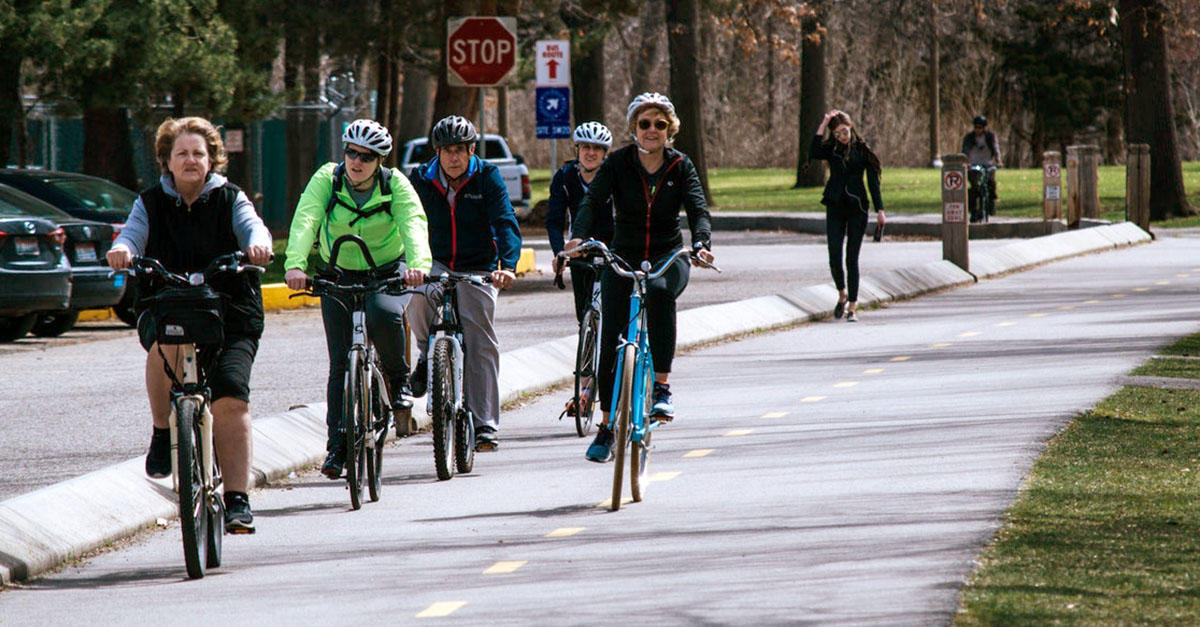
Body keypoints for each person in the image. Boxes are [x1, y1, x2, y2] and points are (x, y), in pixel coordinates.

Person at [107, 116, 273, 533]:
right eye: (182, 153)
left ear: (212, 158)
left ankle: (237, 500)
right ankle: (163, 431)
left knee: (230, 399)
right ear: (167, 159)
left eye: (199, 153)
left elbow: (253, 226)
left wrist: (259, 245)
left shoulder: (230, 198)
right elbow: (132, 234)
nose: (191, 160)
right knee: (167, 343)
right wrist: (122, 250)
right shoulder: (150, 202)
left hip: (230, 310)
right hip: (168, 303)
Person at [565, 92, 714, 463]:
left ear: (670, 129)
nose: (652, 130)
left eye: (659, 124)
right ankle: (604, 427)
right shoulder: (617, 164)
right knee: (613, 334)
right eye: (645, 123)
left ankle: (661, 388)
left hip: (667, 255)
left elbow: (697, 208)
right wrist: (579, 236)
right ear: (634, 128)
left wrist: (701, 243)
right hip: (623, 254)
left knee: (662, 294)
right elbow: (592, 201)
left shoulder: (681, 166)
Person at [283, 119, 431, 480]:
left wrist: (418, 265)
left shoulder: (395, 184)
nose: (357, 161)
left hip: (386, 270)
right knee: (339, 363)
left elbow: (413, 223)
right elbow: (307, 218)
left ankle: (398, 381)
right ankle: (336, 446)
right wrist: (295, 264)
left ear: (379, 160)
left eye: (366, 156)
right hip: (338, 272)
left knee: (383, 315)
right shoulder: (327, 179)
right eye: (351, 152)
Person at [406, 115, 522, 452]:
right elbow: (409, 222)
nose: (454, 157)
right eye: (447, 150)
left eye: (460, 150)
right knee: (418, 294)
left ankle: (484, 424)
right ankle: (428, 352)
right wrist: (411, 263)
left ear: (472, 150)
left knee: (480, 338)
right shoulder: (421, 178)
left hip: (478, 265)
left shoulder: (487, 176)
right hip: (435, 259)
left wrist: (508, 266)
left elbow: (505, 221)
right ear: (437, 152)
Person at [811, 109, 885, 323]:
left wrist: (880, 210)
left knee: (851, 258)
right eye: (837, 134)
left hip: (857, 208)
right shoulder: (831, 150)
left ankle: (852, 305)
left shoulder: (862, 151)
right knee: (834, 254)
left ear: (851, 127)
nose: (842, 137)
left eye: (844, 132)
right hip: (835, 205)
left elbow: (873, 183)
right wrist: (823, 124)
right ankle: (842, 293)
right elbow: (814, 151)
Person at [547, 121, 616, 322]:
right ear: (577, 150)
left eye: (597, 148)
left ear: (605, 153)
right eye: (586, 147)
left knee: (614, 311)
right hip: (578, 247)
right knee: (584, 313)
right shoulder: (564, 176)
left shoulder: (614, 176)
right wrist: (560, 251)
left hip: (611, 246)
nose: (591, 153)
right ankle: (587, 343)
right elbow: (554, 220)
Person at [961, 114, 1002, 213]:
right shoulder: (969, 137)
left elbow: (996, 149)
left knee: (991, 183)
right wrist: (966, 162)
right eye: (975, 127)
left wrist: (998, 161)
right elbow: (965, 150)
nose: (977, 130)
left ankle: (991, 203)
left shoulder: (990, 137)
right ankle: (973, 209)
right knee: (974, 186)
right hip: (973, 164)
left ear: (984, 128)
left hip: (987, 163)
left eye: (980, 127)